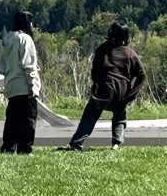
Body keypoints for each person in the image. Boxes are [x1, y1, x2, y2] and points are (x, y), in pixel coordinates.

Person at [60, 21, 146, 151]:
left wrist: (96, 86)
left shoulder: (102, 49)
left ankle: (77, 143)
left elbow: (95, 71)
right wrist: (132, 94)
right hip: (122, 90)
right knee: (119, 116)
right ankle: (116, 143)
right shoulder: (131, 54)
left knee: (90, 115)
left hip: (104, 88)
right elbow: (142, 75)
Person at [0, 10, 40, 154]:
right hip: (24, 84)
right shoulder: (25, 39)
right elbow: (28, 64)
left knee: (12, 119)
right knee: (28, 118)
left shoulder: (7, 39)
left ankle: (8, 146)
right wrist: (33, 84)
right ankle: (24, 148)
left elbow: (1, 66)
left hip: (10, 84)